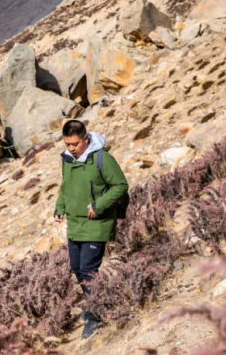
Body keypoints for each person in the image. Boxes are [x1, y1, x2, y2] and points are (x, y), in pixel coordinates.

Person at [54, 119, 128, 339]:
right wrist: (60, 206)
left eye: (75, 144)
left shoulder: (102, 159)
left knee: (88, 269)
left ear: (85, 138)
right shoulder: (68, 159)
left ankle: (96, 316)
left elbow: (120, 185)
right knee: (77, 268)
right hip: (76, 223)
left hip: (97, 223)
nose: (71, 148)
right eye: (67, 144)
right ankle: (101, 302)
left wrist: (99, 205)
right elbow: (66, 185)